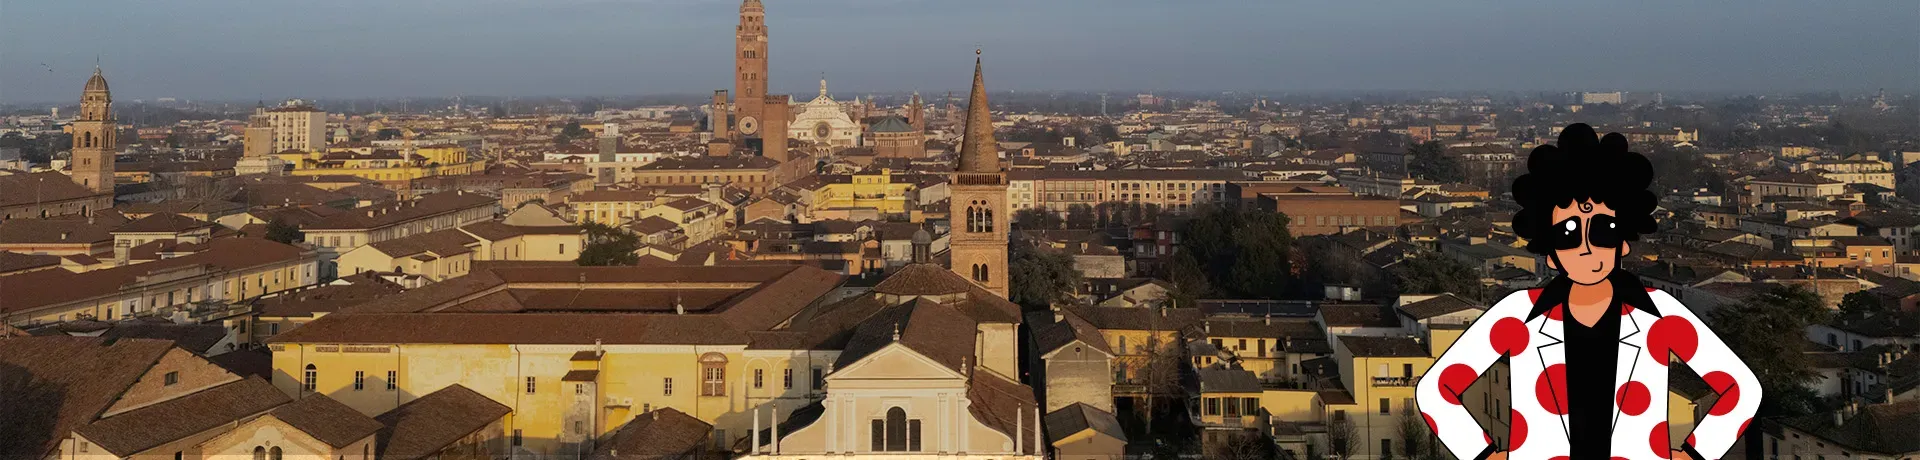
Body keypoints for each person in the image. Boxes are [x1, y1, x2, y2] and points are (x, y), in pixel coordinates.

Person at [1414, 124, 1759, 460]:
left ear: (1623, 242)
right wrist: (1483, 454)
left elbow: (1741, 389)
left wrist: (1695, 453)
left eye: (1603, 230)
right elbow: (1436, 390)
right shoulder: (1518, 315)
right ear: (1550, 253)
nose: (1587, 247)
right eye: (1568, 235)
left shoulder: (1660, 314)